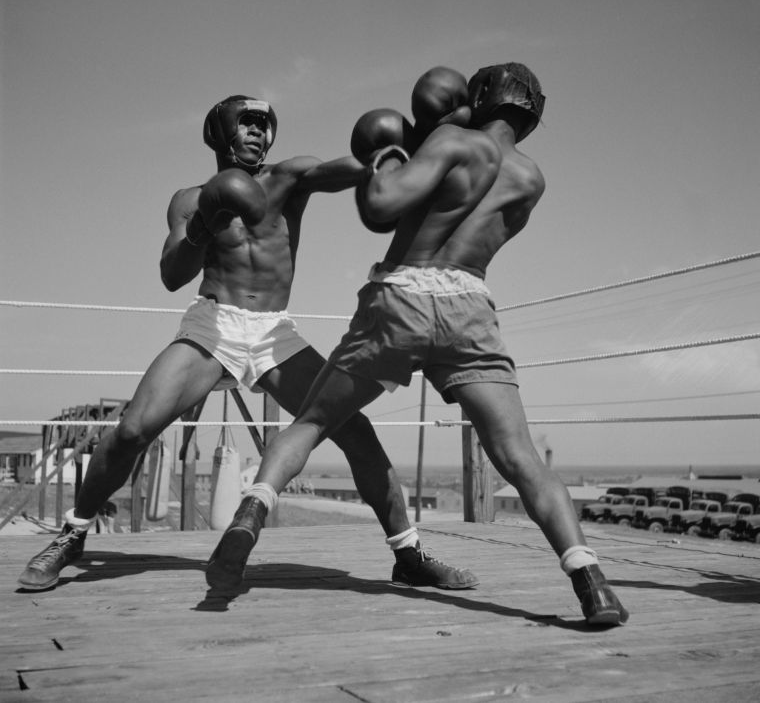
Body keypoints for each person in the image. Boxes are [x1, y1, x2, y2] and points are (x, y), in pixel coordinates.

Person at [207, 66, 629, 626]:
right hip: (470, 309)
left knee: (312, 422)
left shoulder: (453, 143)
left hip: (402, 297)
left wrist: (387, 153)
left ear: (477, 99)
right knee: (518, 454)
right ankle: (591, 583)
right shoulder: (532, 178)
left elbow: (380, 207)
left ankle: (249, 517)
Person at [17, 94, 477, 594]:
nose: (258, 132)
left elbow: (353, 168)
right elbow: (172, 275)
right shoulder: (189, 199)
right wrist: (203, 225)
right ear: (220, 132)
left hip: (273, 331)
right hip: (212, 324)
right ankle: (73, 534)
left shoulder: (289, 178)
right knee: (132, 430)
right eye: (247, 122)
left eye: (265, 124)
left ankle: (407, 553)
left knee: (354, 430)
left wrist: (417, 138)